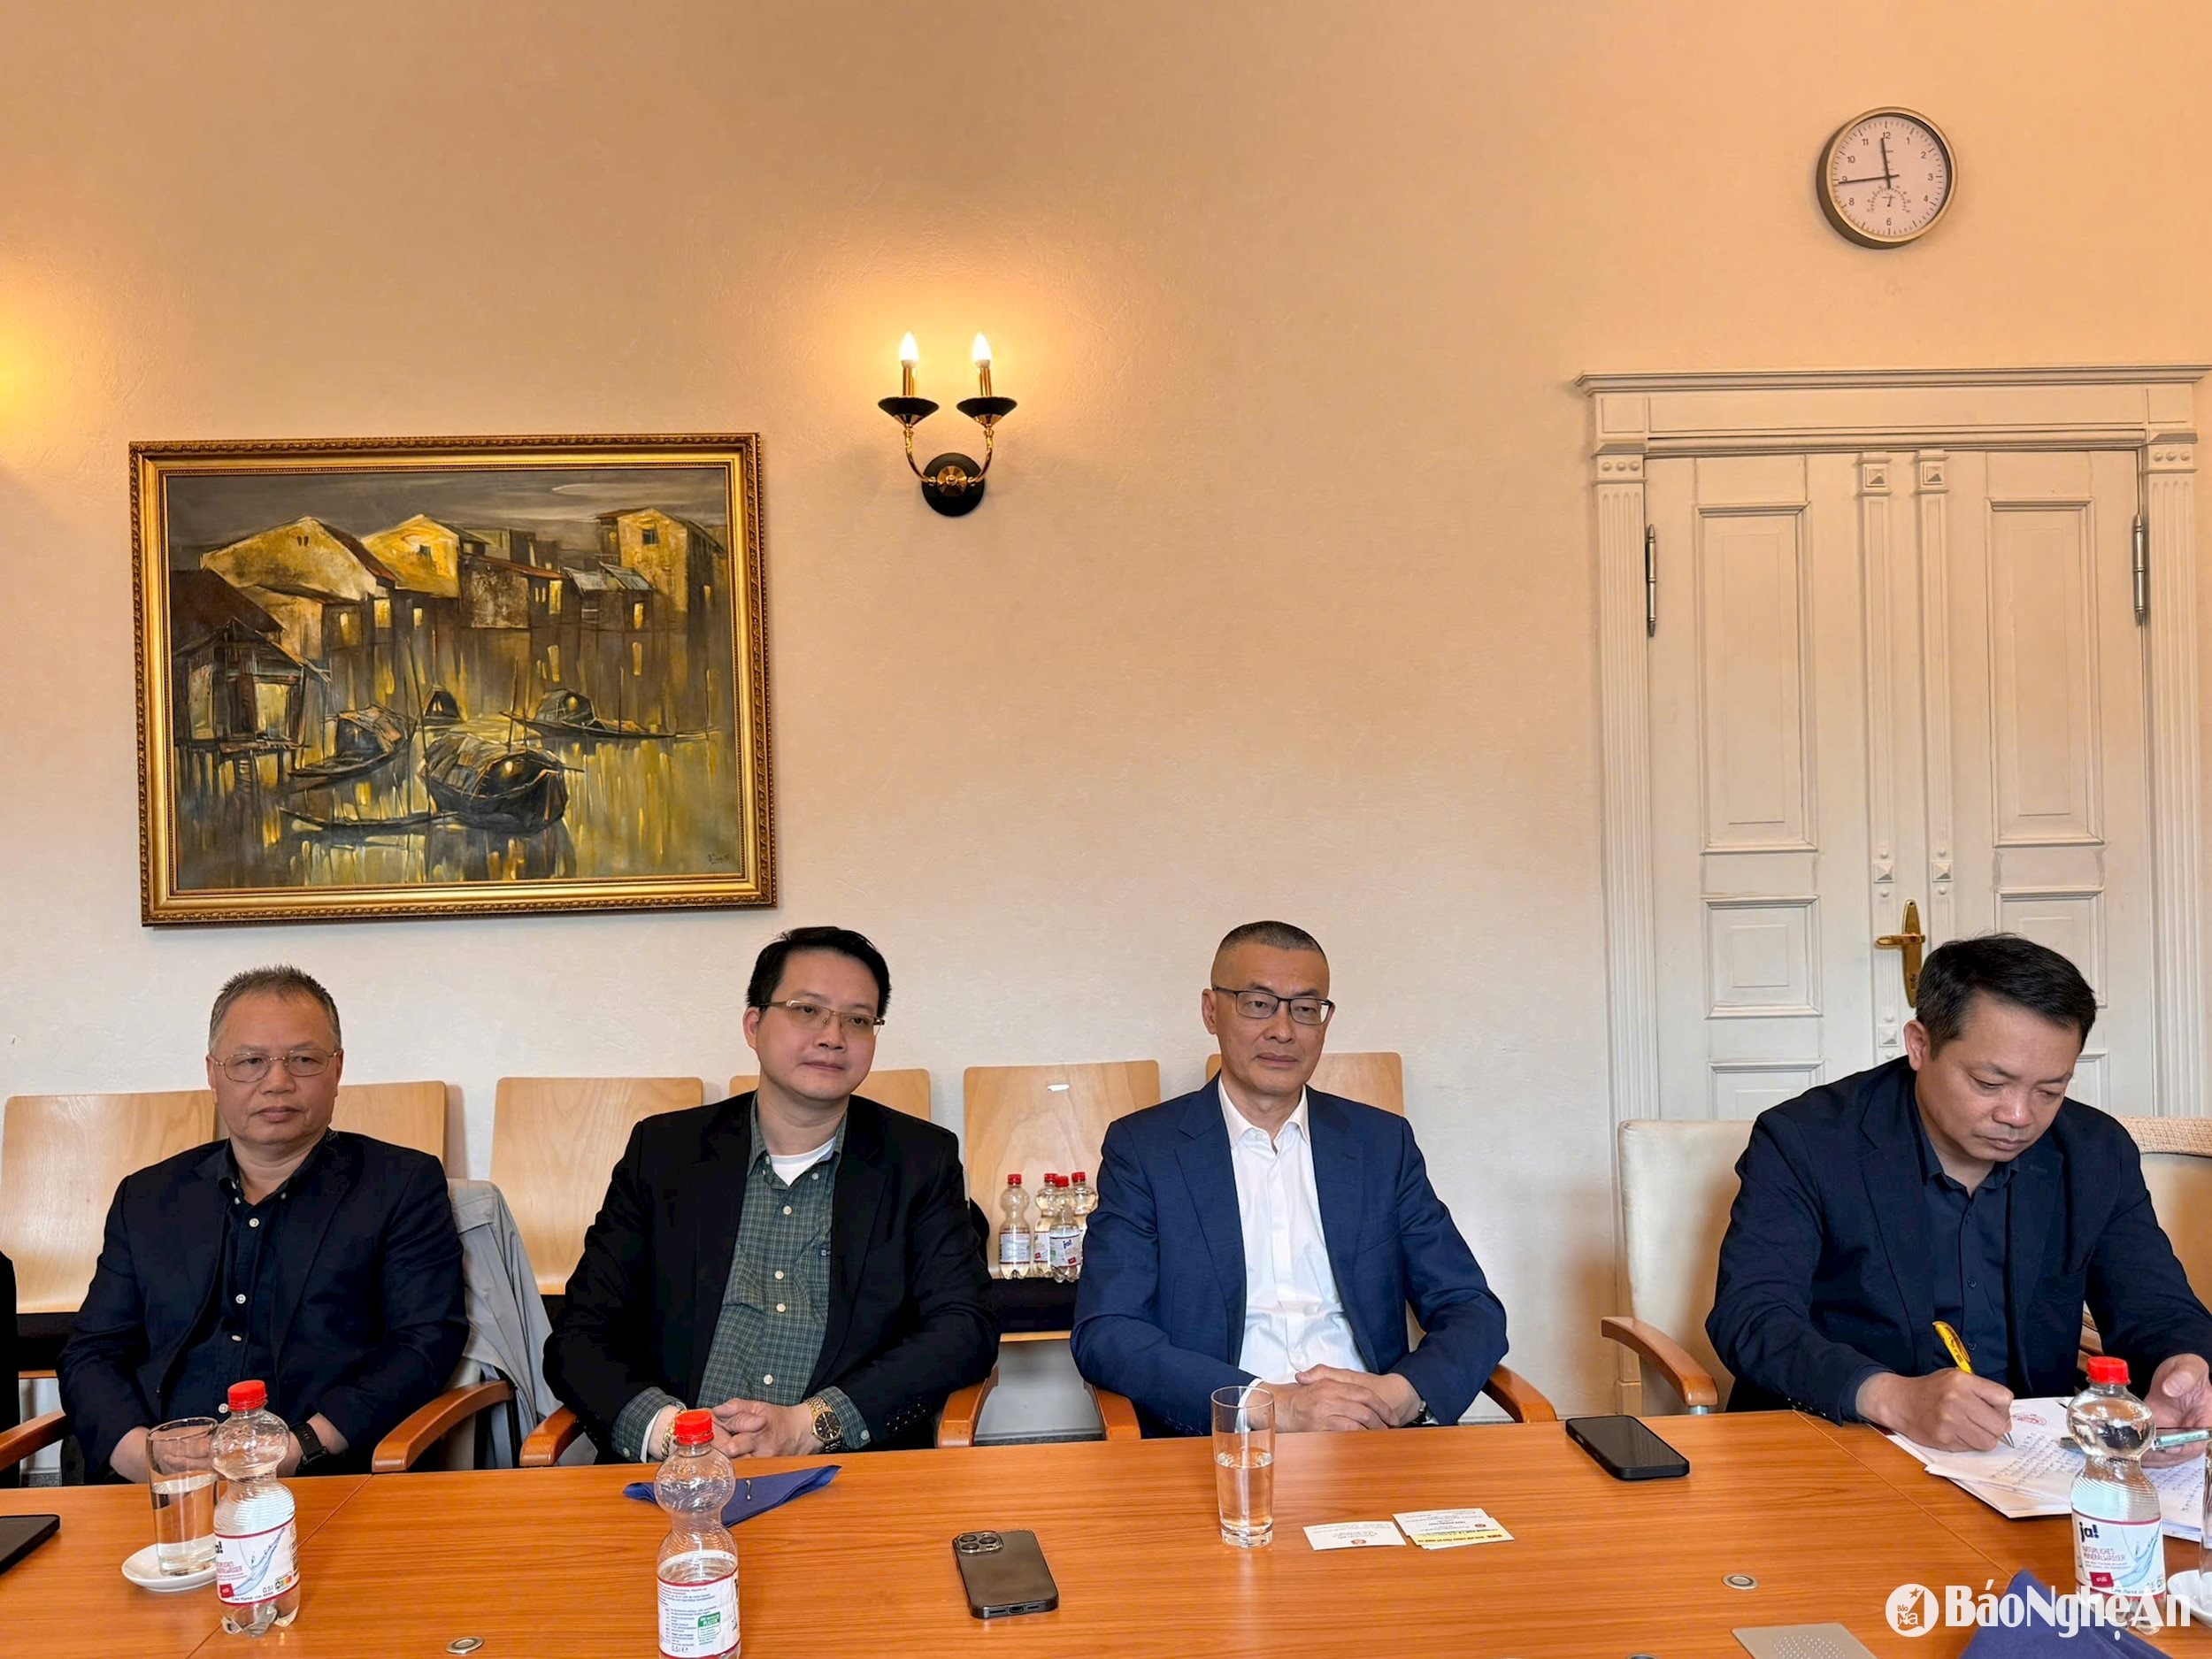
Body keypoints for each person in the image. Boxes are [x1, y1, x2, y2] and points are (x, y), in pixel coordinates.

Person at [1709, 933, 2212, 1456]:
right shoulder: (1807, 1139)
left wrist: (2183, 1370)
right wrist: (1889, 1396)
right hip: (1835, 1443)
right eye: (1990, 1083)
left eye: (2050, 1090)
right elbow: (1752, 1316)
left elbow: (2156, 1307)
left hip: (2021, 1456)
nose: (2018, 1115)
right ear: (1920, 1045)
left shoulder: (2094, 1151)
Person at [545, 926, 995, 1461]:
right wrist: (671, 1431)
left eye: (857, 1019)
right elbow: (580, 1333)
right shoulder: (665, 1153)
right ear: (754, 1026)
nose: (833, 1036)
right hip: (675, 1477)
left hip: (843, 1474)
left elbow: (962, 1328)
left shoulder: (920, 1160)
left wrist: (812, 1425)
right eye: (807, 1010)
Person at [1071, 921, 1508, 1436]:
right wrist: (1269, 1405)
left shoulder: (1381, 1145)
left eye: (1305, 1008)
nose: (1283, 1030)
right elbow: (1107, 1332)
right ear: (1211, 1011)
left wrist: (1401, 1395)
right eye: (1258, 1004)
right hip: (1224, 1440)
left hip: (1373, 1436)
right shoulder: (1145, 1149)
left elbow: (1470, 1307)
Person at [59, 967, 465, 1479]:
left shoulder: (401, 1184)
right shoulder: (147, 1197)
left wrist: (303, 1446)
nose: (277, 1082)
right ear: (213, 1074)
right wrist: (141, 1455)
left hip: (323, 1479)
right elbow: (92, 1351)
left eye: (304, 1060)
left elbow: (424, 1343)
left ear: (337, 1069)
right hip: (156, 1490)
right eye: (250, 1061)